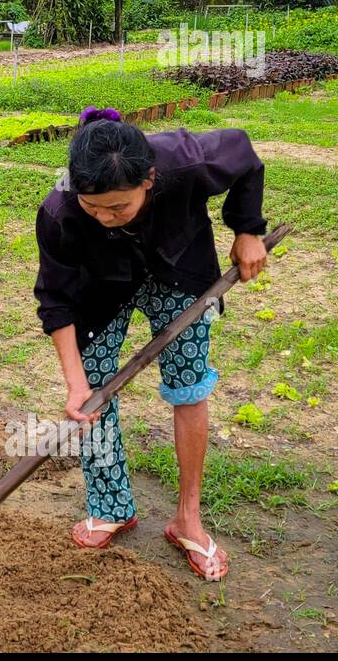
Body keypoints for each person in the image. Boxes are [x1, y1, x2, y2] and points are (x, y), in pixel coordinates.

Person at [33, 107, 268, 580]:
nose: (103, 217)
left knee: (189, 384)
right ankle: (112, 505)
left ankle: (188, 518)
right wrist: (76, 386)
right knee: (94, 394)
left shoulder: (184, 161)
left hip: (180, 272)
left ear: (149, 180)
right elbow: (56, 300)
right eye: (92, 206)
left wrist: (247, 230)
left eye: (117, 207)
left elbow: (243, 151)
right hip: (101, 292)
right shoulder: (59, 211)